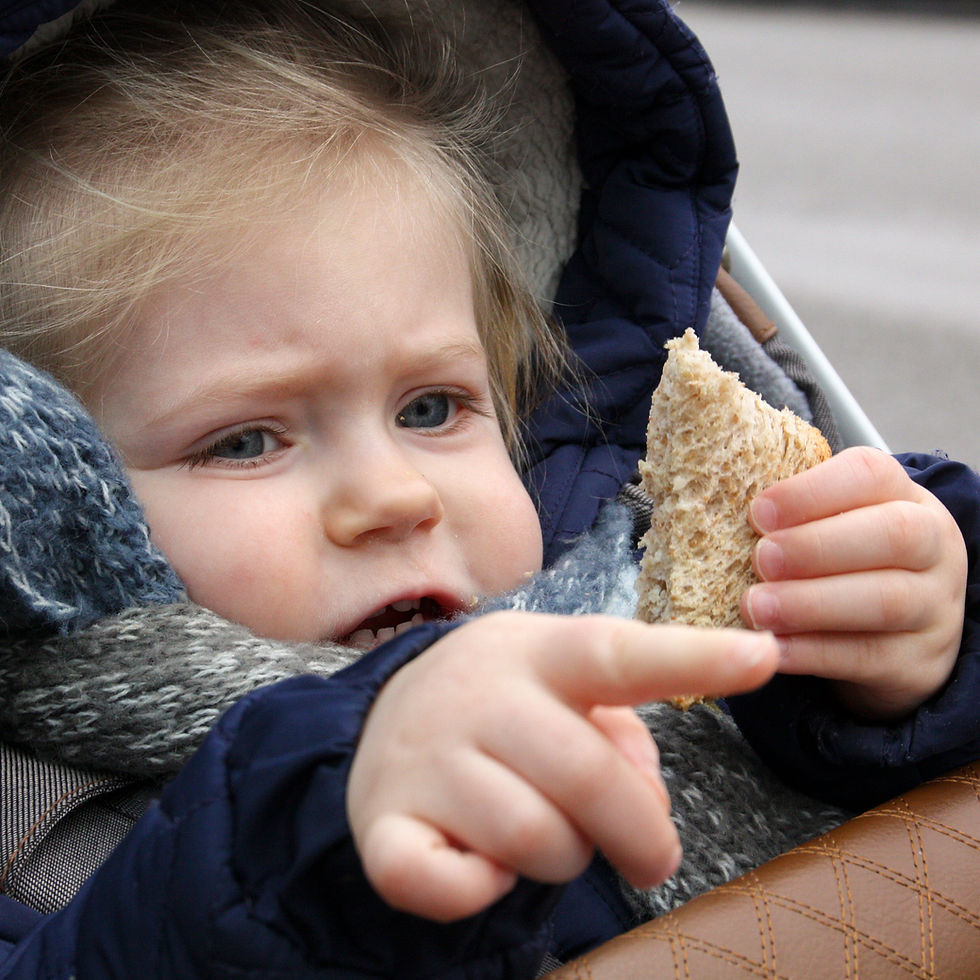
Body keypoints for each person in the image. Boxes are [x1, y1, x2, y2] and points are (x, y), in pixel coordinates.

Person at [0, 0, 977, 975]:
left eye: (430, 408)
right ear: (46, 503)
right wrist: (316, 845)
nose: (393, 495)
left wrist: (887, 669)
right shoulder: (42, 835)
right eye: (246, 438)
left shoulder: (641, 574)